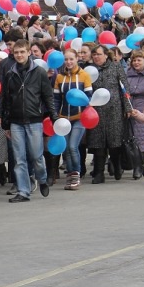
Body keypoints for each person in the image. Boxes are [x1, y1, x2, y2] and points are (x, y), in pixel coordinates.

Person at [0, 40, 57, 202]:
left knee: (36, 155)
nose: (19, 55)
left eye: (22, 52)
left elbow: (47, 96)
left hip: (34, 120)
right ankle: (23, 190)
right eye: (16, 52)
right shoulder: (10, 74)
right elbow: (6, 99)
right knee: (19, 158)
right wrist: (5, 122)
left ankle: (42, 178)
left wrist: (53, 116)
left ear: (28, 52)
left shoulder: (39, 72)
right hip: (16, 121)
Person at [85, 45, 132, 184]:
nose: (96, 57)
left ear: (106, 55)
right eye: (94, 55)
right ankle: (99, 173)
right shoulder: (89, 70)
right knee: (98, 143)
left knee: (115, 142)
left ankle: (117, 166)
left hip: (114, 109)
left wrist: (127, 107)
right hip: (96, 111)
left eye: (99, 54)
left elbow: (124, 88)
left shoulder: (116, 67)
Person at [52, 49, 93, 190]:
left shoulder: (84, 75)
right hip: (64, 117)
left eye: (71, 59)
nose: (68, 62)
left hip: (80, 117)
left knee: (72, 146)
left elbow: (89, 96)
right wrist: (56, 115)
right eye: (66, 59)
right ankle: (70, 175)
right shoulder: (59, 77)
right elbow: (56, 99)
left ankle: (76, 174)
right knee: (66, 149)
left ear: (77, 59)